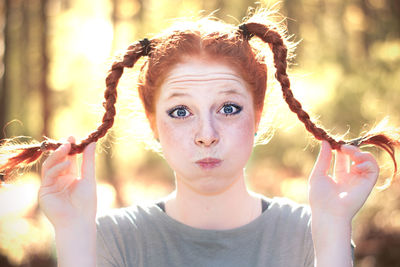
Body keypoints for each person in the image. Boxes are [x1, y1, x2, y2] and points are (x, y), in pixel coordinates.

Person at [0, 9, 399, 267]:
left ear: (257, 116)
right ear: (154, 126)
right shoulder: (109, 239)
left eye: (228, 109)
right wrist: (71, 232)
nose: (206, 135)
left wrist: (331, 225)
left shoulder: (310, 232)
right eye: (180, 112)